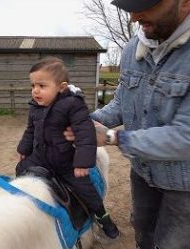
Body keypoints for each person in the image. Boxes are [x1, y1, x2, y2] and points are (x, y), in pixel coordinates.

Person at [64, 0, 190, 248]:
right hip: (144, 171)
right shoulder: (134, 47)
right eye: (129, 8)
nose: (134, 17)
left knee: (174, 243)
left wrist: (113, 138)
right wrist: (85, 122)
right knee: (143, 233)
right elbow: (121, 104)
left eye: (145, 5)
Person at [15, 57, 120, 239]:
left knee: (88, 191)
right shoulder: (35, 107)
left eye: (41, 85)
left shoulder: (73, 105)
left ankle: (103, 217)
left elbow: (85, 134)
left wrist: (82, 162)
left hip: (67, 163)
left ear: (61, 87)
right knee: (20, 170)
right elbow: (31, 130)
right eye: (33, 86)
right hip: (41, 157)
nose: (35, 91)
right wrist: (24, 149)